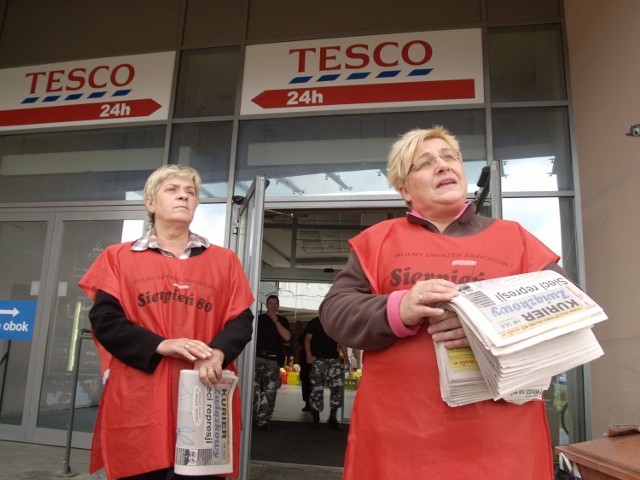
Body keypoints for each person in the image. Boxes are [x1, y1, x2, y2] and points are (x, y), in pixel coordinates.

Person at [318, 126, 565, 480]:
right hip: (399, 444)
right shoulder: (377, 242)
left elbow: (567, 305)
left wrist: (486, 325)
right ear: (404, 189)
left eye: (450, 158)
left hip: (501, 445)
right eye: (425, 162)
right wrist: (398, 309)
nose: (443, 166)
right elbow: (335, 314)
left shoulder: (516, 239)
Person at [78, 164, 254, 480]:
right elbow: (105, 321)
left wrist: (218, 354)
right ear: (150, 203)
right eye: (172, 190)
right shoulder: (118, 257)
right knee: (142, 470)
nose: (183, 196)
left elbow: (241, 319)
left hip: (204, 393)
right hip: (140, 396)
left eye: (190, 192)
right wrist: (161, 344)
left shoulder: (224, 261)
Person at [253, 294, 291, 431]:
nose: (273, 306)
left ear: (278, 306)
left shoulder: (283, 320)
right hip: (257, 359)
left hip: (273, 361)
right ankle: (251, 418)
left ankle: (263, 420)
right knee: (253, 391)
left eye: (275, 304)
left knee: (269, 392)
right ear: (266, 305)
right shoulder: (259, 320)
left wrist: (275, 320)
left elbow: (287, 337)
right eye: (270, 304)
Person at [304, 316, 348, 430]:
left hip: (333, 360)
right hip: (319, 360)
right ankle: (316, 417)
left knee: (338, 388)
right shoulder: (314, 322)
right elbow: (307, 339)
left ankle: (333, 418)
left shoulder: (336, 321)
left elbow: (341, 340)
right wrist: (308, 355)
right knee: (316, 390)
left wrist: (347, 358)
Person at [296, 326, 312, 412]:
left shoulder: (305, 334)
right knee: (307, 383)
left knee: (307, 384)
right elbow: (297, 343)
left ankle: (308, 404)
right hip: (306, 364)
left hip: (307, 363)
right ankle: (308, 404)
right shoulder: (306, 335)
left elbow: (297, 343)